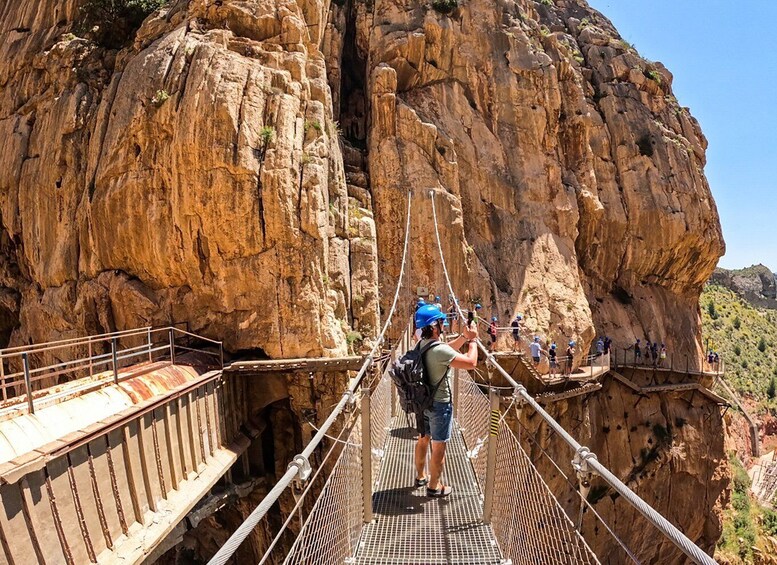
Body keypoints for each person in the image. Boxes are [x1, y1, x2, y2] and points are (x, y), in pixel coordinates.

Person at [413, 304, 479, 498]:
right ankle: (434, 487)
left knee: (423, 438)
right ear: (434, 326)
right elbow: (471, 363)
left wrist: (464, 337)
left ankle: (420, 476)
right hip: (440, 405)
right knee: (439, 446)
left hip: (422, 401)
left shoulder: (421, 344)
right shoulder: (439, 351)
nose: (444, 324)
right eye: (441, 322)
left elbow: (444, 350)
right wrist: (473, 341)